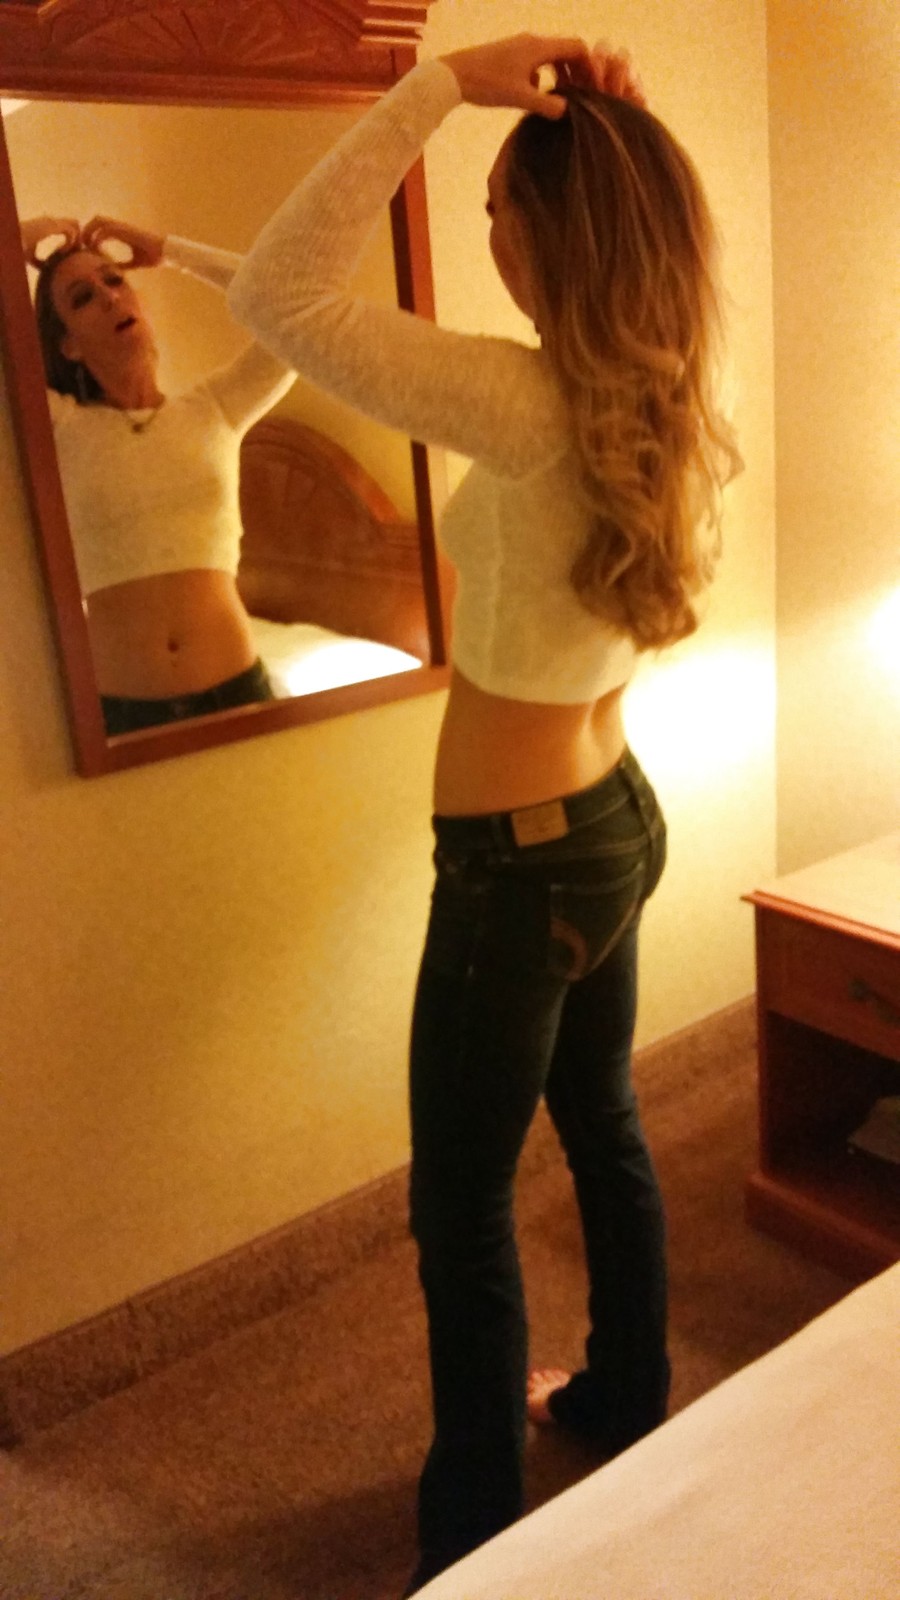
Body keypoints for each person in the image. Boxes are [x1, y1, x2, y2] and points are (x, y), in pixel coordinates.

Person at [227, 31, 742, 1593]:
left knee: (457, 1211)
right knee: (607, 1125)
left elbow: (283, 299)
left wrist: (445, 84)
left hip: (518, 876)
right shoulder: (664, 392)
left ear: (554, 233)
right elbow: (272, 299)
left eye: (501, 208)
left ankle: (474, 1538)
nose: (490, 231)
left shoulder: (522, 402)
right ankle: (627, 1395)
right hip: (615, 821)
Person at [22, 214, 296, 735]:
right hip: (120, 718)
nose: (109, 298)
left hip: (239, 693)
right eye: (82, 298)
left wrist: (169, 251)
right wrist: (15, 240)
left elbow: (291, 304)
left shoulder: (215, 408)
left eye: (115, 280)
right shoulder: (57, 425)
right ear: (68, 345)